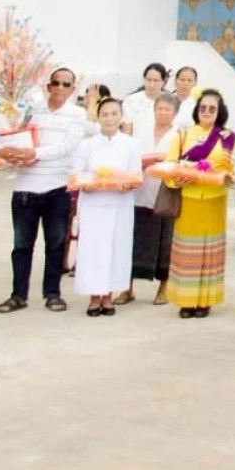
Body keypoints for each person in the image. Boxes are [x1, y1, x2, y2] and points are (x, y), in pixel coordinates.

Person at [0, 66, 89, 315]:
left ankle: (52, 293)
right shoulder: (30, 110)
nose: (59, 88)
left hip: (56, 186)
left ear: (73, 89)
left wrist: (35, 153)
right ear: (48, 85)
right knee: (22, 245)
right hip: (26, 186)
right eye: (55, 83)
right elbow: (11, 136)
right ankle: (18, 294)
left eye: (66, 84)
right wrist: (9, 153)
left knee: (56, 243)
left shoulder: (77, 115)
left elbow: (68, 146)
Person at [164, 89, 235, 318]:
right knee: (187, 252)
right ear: (197, 110)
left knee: (209, 252)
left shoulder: (227, 136)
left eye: (212, 109)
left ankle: (205, 301)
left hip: (214, 200)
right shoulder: (183, 134)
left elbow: (234, 167)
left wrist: (228, 175)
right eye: (203, 108)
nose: (206, 112)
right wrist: (178, 177)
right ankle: (186, 302)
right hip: (189, 200)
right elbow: (169, 165)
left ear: (219, 111)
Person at [71, 95, 143, 315]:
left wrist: (127, 185)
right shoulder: (87, 144)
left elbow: (136, 174)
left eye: (114, 114)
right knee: (93, 250)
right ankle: (94, 296)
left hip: (119, 204)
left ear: (121, 117)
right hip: (94, 204)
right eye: (105, 114)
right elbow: (76, 172)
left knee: (115, 248)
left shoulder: (131, 144)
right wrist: (86, 184)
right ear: (98, 117)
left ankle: (109, 295)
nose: (110, 118)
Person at [129, 90, 181, 305]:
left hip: (163, 193)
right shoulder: (141, 133)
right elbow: (131, 158)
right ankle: (127, 288)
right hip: (139, 191)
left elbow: (180, 163)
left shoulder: (179, 135)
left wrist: (163, 163)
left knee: (164, 241)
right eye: (159, 108)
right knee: (134, 240)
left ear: (175, 113)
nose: (162, 113)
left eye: (167, 109)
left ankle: (163, 287)